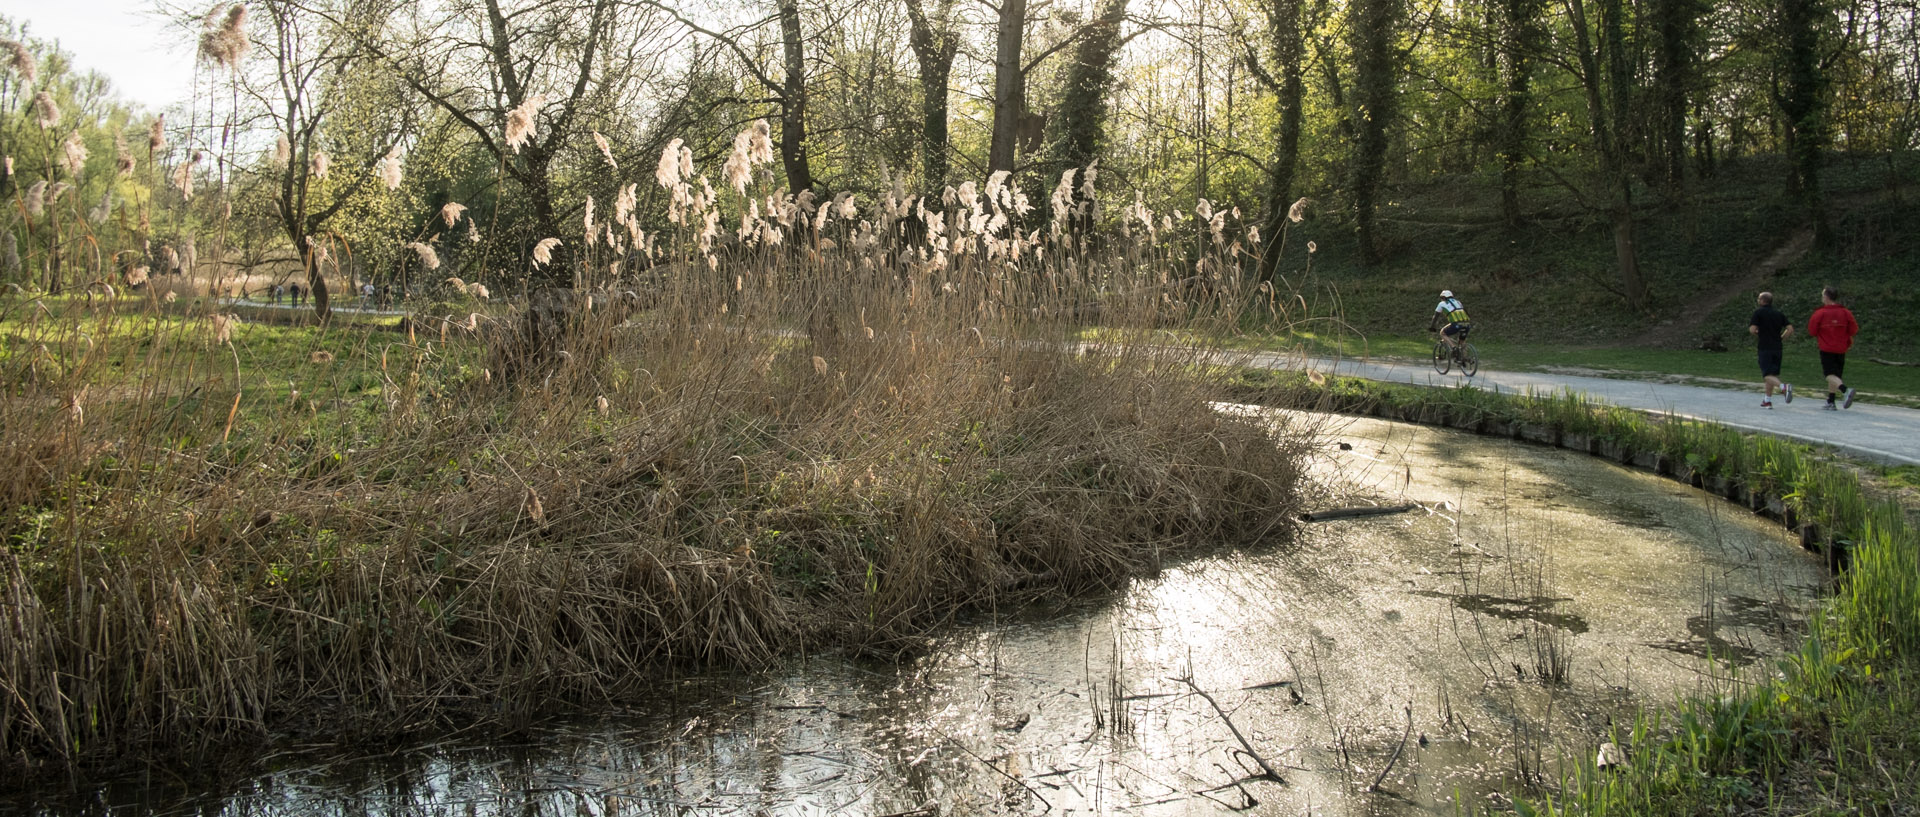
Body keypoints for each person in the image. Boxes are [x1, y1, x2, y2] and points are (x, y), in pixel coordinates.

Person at [1806, 286, 1859, 410]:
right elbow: (1853, 329)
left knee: (1829, 374)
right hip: (1841, 347)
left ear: (1826, 297)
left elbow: (1812, 331)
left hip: (1827, 347)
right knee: (1836, 375)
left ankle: (1845, 390)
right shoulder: (1845, 312)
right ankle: (1831, 401)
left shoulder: (1820, 313)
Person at [1748, 291, 1794, 408]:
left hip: (1765, 347)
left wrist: (1759, 333)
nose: (1758, 301)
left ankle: (1784, 387)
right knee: (1772, 374)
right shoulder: (1778, 313)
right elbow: (1790, 329)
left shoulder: (1758, 313)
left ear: (1763, 301)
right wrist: (1782, 337)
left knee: (1766, 375)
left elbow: (1752, 330)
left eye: (1759, 299)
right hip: (1777, 347)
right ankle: (1767, 400)